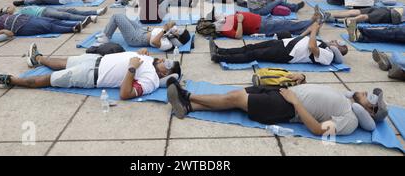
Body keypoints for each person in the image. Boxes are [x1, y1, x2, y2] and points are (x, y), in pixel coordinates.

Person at [166, 76, 388, 136]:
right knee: (234, 97)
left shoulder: (349, 121)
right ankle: (188, 108)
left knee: (233, 100)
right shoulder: (347, 100)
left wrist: (295, 101)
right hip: (284, 94)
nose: (367, 93)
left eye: (371, 98)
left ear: (370, 110)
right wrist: (300, 81)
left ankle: (187, 95)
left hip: (285, 107)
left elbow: (318, 129)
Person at [0, 44, 181, 100]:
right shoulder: (152, 60)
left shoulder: (151, 80)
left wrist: (131, 68)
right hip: (95, 60)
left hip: (89, 77)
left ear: (164, 75)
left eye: (167, 65)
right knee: (60, 61)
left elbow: (125, 94)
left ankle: (10, 80)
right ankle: (38, 58)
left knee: (47, 79)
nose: (164, 60)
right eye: (167, 59)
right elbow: (148, 54)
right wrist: (144, 54)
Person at [210, 22, 348, 65]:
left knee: (254, 54)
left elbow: (312, 47)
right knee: (250, 47)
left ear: (338, 50)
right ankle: (222, 50)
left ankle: (220, 58)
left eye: (337, 43)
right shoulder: (322, 43)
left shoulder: (328, 55)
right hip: (284, 44)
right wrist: (312, 28)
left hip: (286, 53)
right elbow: (301, 37)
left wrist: (314, 32)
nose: (334, 41)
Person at [96, 14, 191, 52]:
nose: (177, 30)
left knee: (117, 17)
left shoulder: (169, 45)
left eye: (178, 31)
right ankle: (106, 33)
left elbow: (154, 42)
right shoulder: (172, 35)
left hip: (136, 38)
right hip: (142, 30)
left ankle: (106, 37)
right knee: (121, 15)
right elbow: (172, 23)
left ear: (178, 38)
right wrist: (172, 26)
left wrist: (164, 30)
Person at [0, 13, 83, 42]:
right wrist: (3, 31)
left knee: (52, 21)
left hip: (24, 18)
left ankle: (76, 24)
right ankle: (72, 29)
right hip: (20, 26)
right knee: (48, 26)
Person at [213, 11, 321, 39]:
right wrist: (240, 21)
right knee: (286, 24)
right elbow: (238, 36)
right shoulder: (223, 28)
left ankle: (310, 29)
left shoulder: (222, 20)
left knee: (287, 26)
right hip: (260, 26)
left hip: (261, 19)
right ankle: (311, 22)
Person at [7, 5, 107, 22]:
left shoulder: (20, 9)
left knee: (72, 10)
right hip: (43, 13)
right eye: (7, 8)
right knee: (65, 16)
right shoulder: (16, 15)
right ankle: (89, 17)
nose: (9, 7)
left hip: (46, 8)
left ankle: (96, 12)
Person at [319, 6, 404, 26]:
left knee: (364, 16)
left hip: (392, 15)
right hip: (388, 9)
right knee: (356, 11)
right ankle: (328, 14)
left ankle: (336, 20)